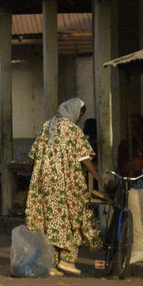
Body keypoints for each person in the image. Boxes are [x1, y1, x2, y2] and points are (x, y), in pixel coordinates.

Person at [25, 97, 104, 275]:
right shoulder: (73, 130)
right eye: (80, 115)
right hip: (68, 184)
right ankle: (67, 260)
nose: (80, 119)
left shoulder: (47, 126)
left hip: (44, 184)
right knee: (71, 219)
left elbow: (32, 156)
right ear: (76, 112)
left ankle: (50, 263)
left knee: (49, 220)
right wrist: (100, 179)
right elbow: (85, 159)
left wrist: (37, 177)